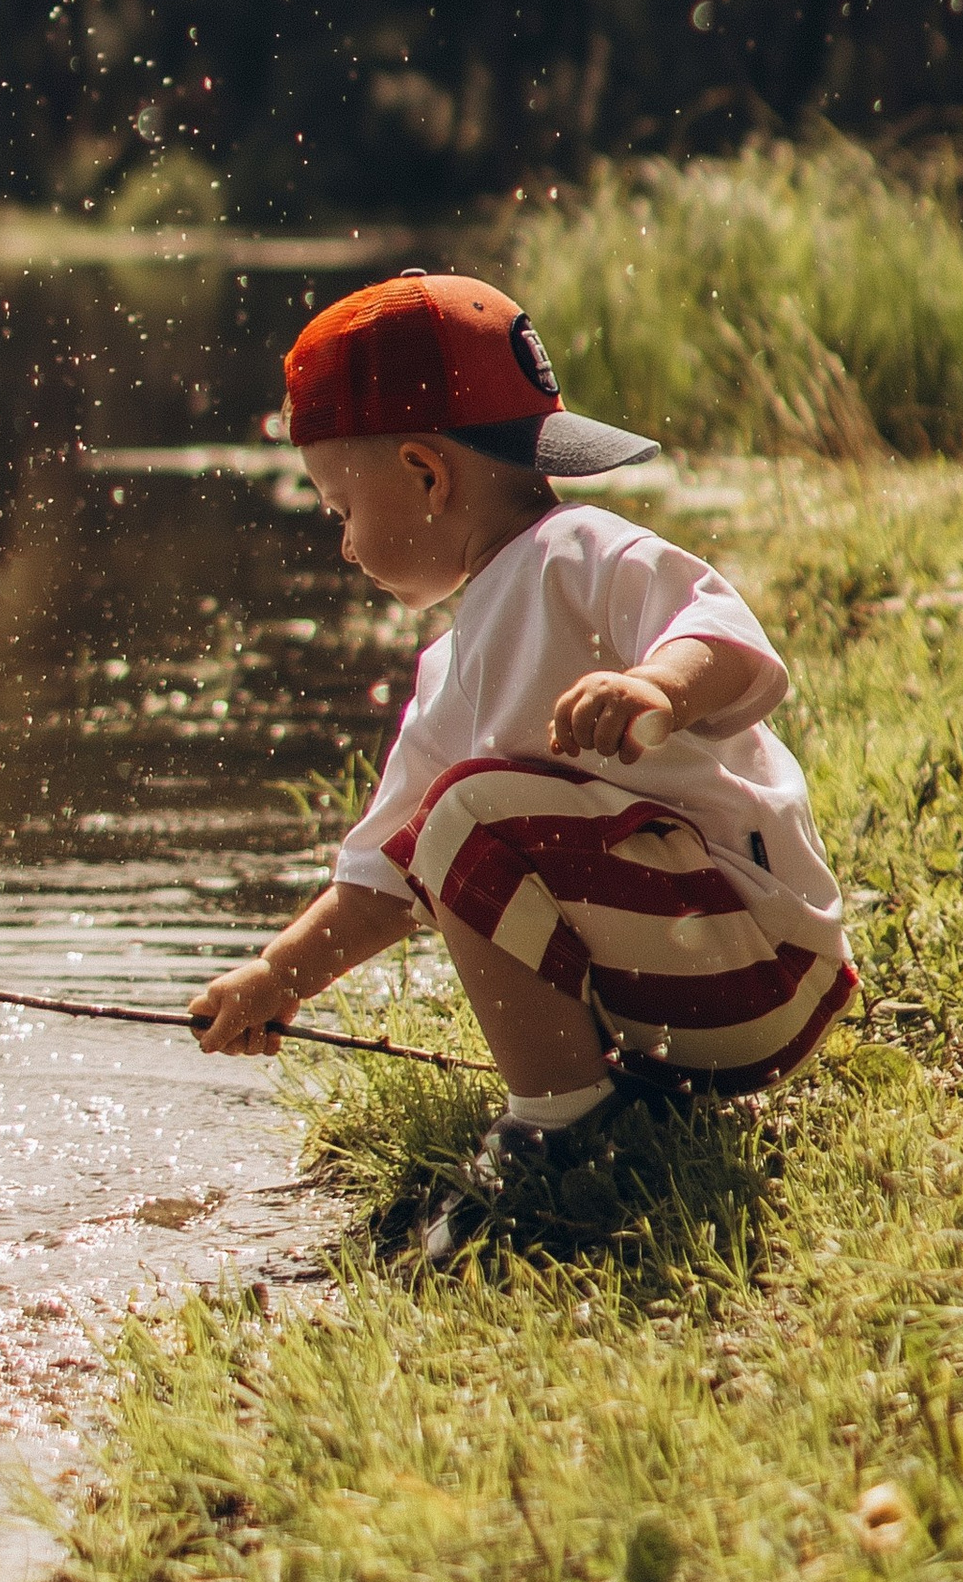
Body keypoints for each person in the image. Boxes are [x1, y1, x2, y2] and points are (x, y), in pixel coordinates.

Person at [188, 270, 853, 1231]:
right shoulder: (454, 665)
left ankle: (561, 1137)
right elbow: (383, 877)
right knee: (448, 819)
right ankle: (601, 1103)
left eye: (341, 510)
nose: (342, 545)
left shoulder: (575, 549)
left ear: (425, 473)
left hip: (759, 956)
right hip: (683, 989)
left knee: (461, 811)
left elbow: (723, 630)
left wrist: (656, 687)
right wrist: (276, 976)